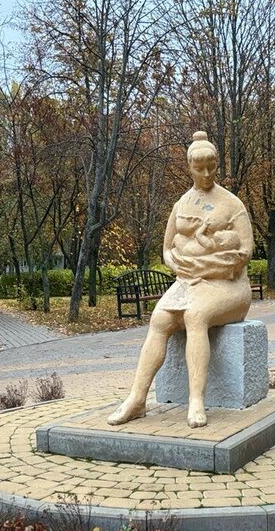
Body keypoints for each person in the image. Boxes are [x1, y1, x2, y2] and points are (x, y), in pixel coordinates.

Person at [108, 131, 254, 429]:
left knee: (195, 316)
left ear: (217, 164)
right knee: (159, 319)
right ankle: (137, 399)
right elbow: (166, 249)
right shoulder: (182, 204)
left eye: (211, 167)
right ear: (189, 167)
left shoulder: (231, 203)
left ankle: (196, 400)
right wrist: (178, 262)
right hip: (189, 282)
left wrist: (203, 264)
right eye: (199, 168)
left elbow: (244, 252)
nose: (206, 174)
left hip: (229, 285)